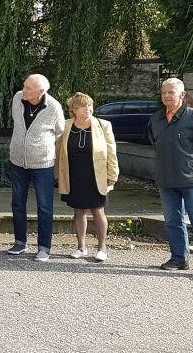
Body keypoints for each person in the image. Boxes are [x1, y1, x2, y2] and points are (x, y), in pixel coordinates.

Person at [148, 77, 193, 279]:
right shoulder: (156, 119)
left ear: (182, 95)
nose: (167, 96)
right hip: (166, 179)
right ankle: (179, 258)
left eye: (171, 92)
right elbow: (156, 144)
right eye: (164, 93)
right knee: (172, 221)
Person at [8, 73, 65, 262]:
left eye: (28, 88)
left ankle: (43, 247)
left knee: (45, 206)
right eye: (24, 85)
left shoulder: (54, 107)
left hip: (42, 164)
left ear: (40, 92)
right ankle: (19, 242)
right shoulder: (17, 98)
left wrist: (41, 149)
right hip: (18, 161)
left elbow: (59, 132)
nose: (23, 90)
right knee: (17, 203)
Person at [56, 92, 119, 262]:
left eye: (90, 105)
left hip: (96, 175)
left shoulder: (103, 125)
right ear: (74, 109)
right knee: (78, 210)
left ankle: (102, 248)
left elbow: (112, 152)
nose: (88, 109)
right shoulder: (65, 125)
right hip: (74, 174)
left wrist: (113, 174)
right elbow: (58, 151)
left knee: (98, 210)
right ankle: (81, 246)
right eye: (84, 106)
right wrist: (57, 175)